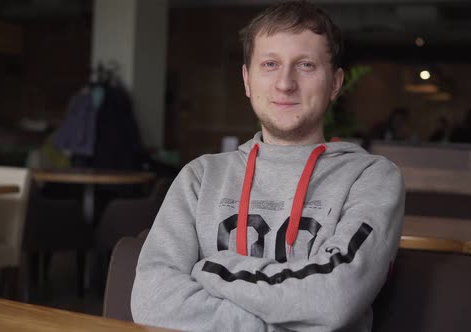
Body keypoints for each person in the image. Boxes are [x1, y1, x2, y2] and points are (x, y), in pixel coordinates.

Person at [131, 2, 404, 331]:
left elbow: (334, 298)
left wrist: (211, 268)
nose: (285, 83)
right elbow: (152, 299)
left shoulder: (372, 178)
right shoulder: (200, 177)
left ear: (335, 83)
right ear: (248, 80)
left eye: (305, 65)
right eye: (270, 64)